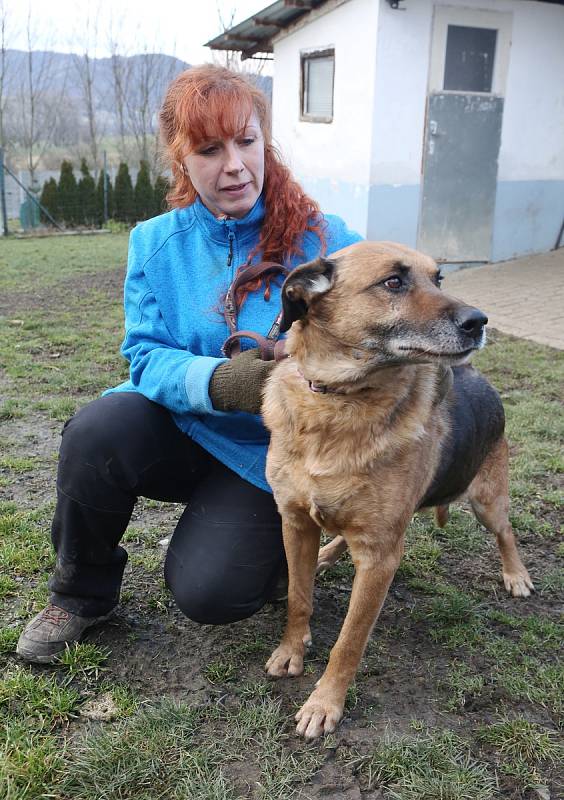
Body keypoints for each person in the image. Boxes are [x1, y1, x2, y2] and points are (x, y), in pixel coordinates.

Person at [17, 65, 362, 664]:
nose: (234, 165)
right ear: (181, 160)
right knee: (97, 432)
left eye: (246, 142)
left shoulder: (325, 239)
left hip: (267, 454)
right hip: (181, 425)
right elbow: (144, 355)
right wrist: (220, 382)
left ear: (264, 142)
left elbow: (387, 302)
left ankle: (275, 544)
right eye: (210, 149)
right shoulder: (154, 243)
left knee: (212, 593)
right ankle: (80, 597)